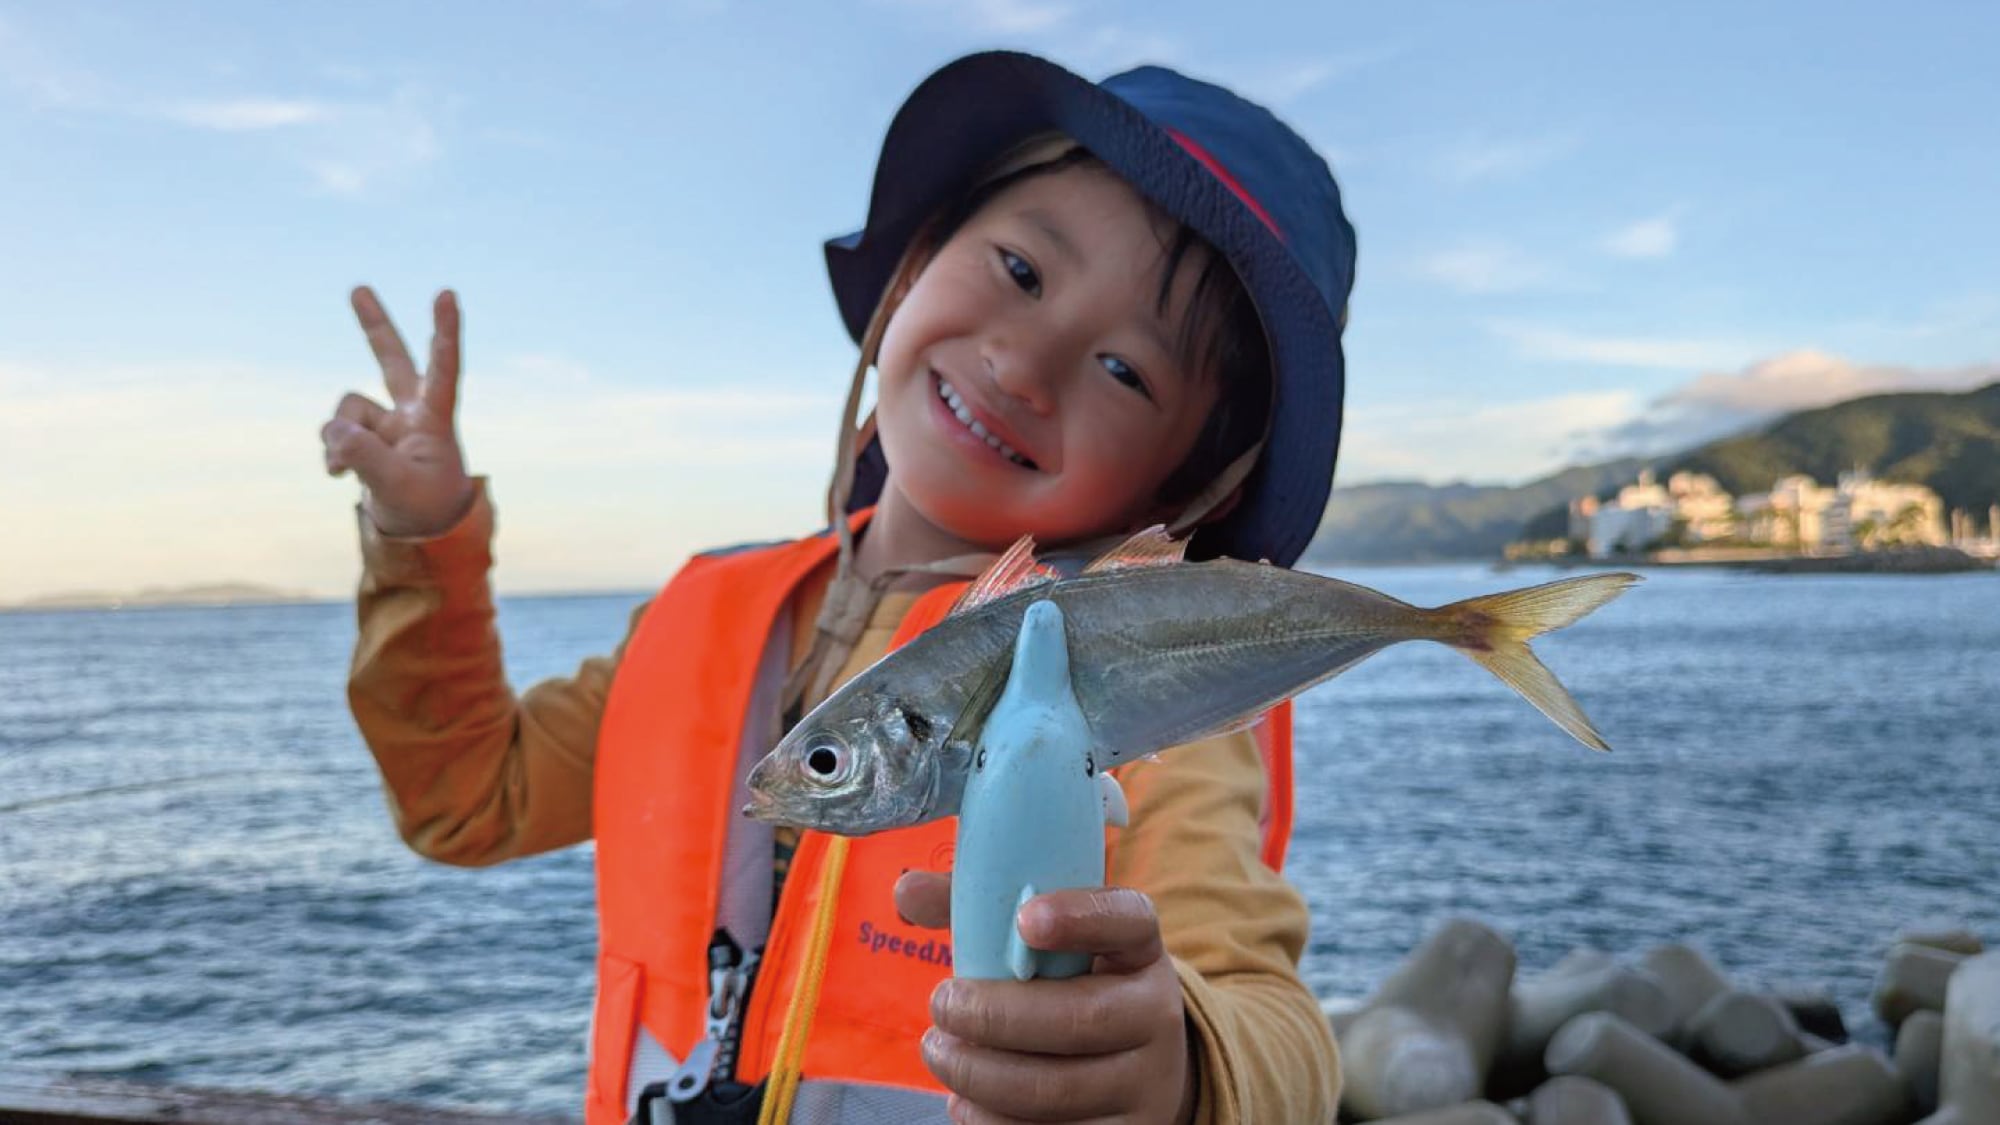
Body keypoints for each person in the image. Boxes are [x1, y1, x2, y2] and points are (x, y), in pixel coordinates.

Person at [321, 50, 1356, 1125]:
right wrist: (422, 539)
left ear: (1187, 482)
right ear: (911, 268)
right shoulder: (699, 614)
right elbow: (467, 800)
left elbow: (1272, 1023)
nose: (1023, 364)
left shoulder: (1149, 694)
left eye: (1125, 371)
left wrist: (1179, 1070)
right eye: (1019, 271)